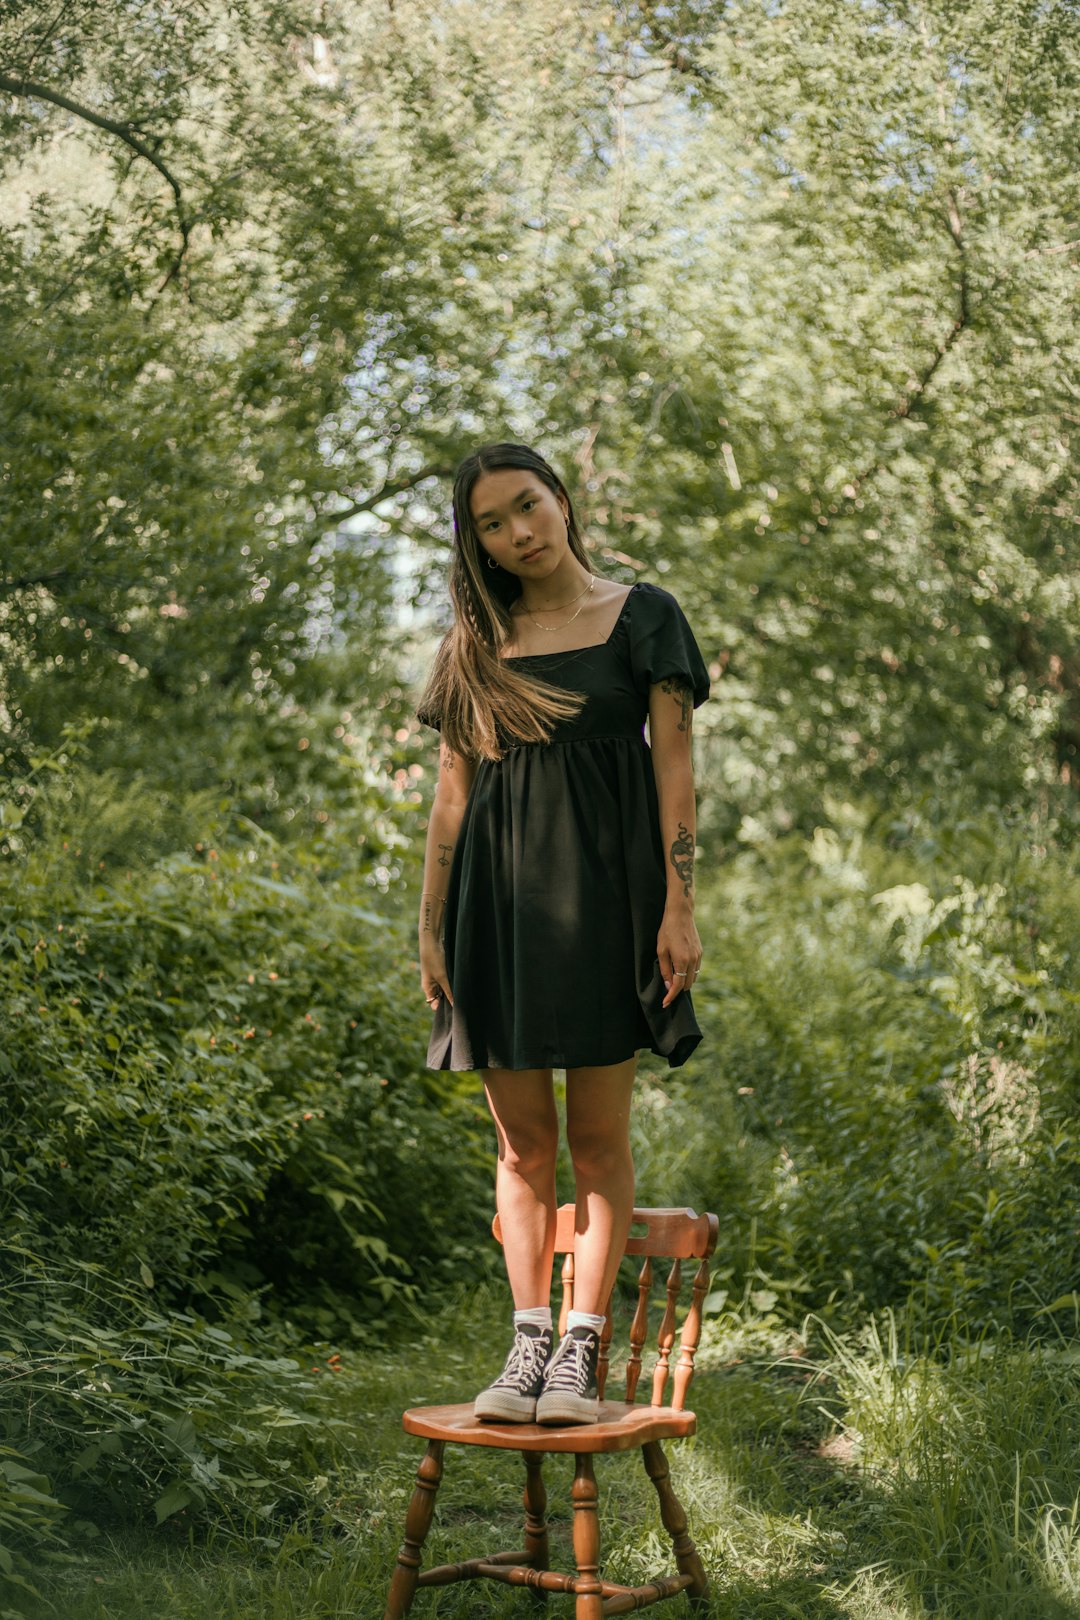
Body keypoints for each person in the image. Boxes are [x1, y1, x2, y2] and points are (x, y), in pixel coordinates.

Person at [415, 441, 709, 1425]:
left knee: (597, 1137)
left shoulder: (644, 617)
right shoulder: (475, 646)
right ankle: (528, 1336)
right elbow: (451, 799)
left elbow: (675, 768)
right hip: (494, 915)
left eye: (525, 507)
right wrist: (429, 930)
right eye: (490, 525)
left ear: (562, 499)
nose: (516, 535)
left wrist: (679, 904)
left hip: (608, 906)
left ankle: (580, 1353)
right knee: (520, 1144)